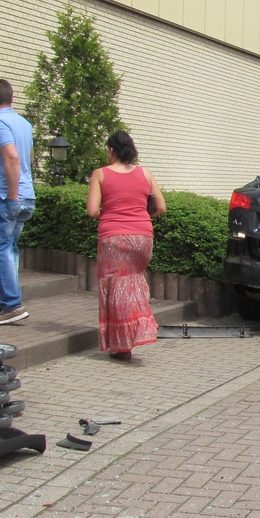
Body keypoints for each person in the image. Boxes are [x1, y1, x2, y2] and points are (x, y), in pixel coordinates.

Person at [85, 131, 166, 361]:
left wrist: (111, 214)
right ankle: (137, 332)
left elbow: (92, 211)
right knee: (133, 284)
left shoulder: (100, 174)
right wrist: (139, 216)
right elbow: (161, 207)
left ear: (111, 150)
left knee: (115, 288)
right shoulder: (145, 174)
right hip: (143, 237)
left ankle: (121, 346)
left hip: (114, 238)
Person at [0, 78, 36, 325]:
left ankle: (12, 304)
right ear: (11, 98)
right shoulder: (23, 123)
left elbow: (12, 158)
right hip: (26, 195)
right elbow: (29, 158)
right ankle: (2, 303)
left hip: (3, 197)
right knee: (9, 250)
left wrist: (12, 196)